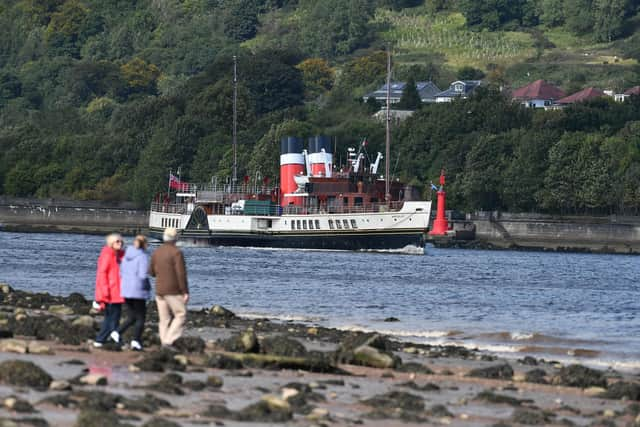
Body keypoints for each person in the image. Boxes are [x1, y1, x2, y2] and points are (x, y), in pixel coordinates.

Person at [149, 227, 189, 346]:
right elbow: (181, 274)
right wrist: (185, 291)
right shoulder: (176, 252)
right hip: (172, 290)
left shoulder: (157, 252)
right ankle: (169, 340)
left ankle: (163, 341)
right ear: (176, 238)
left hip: (159, 290)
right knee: (181, 314)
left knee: (164, 319)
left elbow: (151, 272)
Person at [116, 235, 150, 351]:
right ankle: (135, 340)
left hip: (126, 290)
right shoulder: (142, 257)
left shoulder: (126, 256)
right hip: (138, 291)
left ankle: (117, 333)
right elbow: (143, 275)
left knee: (131, 316)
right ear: (144, 244)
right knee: (140, 317)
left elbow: (121, 272)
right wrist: (147, 287)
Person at [94, 233, 125, 347]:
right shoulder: (108, 255)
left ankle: (103, 339)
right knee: (112, 317)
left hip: (117, 291)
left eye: (121, 241)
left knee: (113, 316)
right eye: (117, 241)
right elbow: (102, 274)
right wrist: (104, 292)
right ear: (111, 243)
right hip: (110, 292)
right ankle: (103, 339)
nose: (120, 243)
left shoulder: (119, 255)